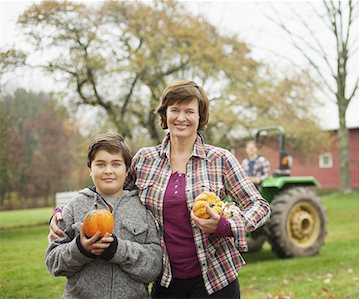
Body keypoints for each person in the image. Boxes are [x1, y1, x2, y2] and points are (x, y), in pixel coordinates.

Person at [49, 80, 271, 298]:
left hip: (216, 277)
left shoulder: (220, 159)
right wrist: (61, 214)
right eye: (175, 110)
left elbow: (259, 206)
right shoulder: (145, 160)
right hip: (166, 280)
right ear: (164, 115)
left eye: (189, 111)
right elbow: (110, 192)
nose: (181, 118)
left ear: (200, 116)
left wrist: (226, 225)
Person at [45, 132, 162, 298]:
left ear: (127, 170)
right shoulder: (74, 206)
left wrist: (118, 250)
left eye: (116, 164)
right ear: (90, 170)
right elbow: (53, 262)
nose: (108, 171)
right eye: (100, 164)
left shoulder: (143, 207)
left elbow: (154, 267)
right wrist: (80, 249)